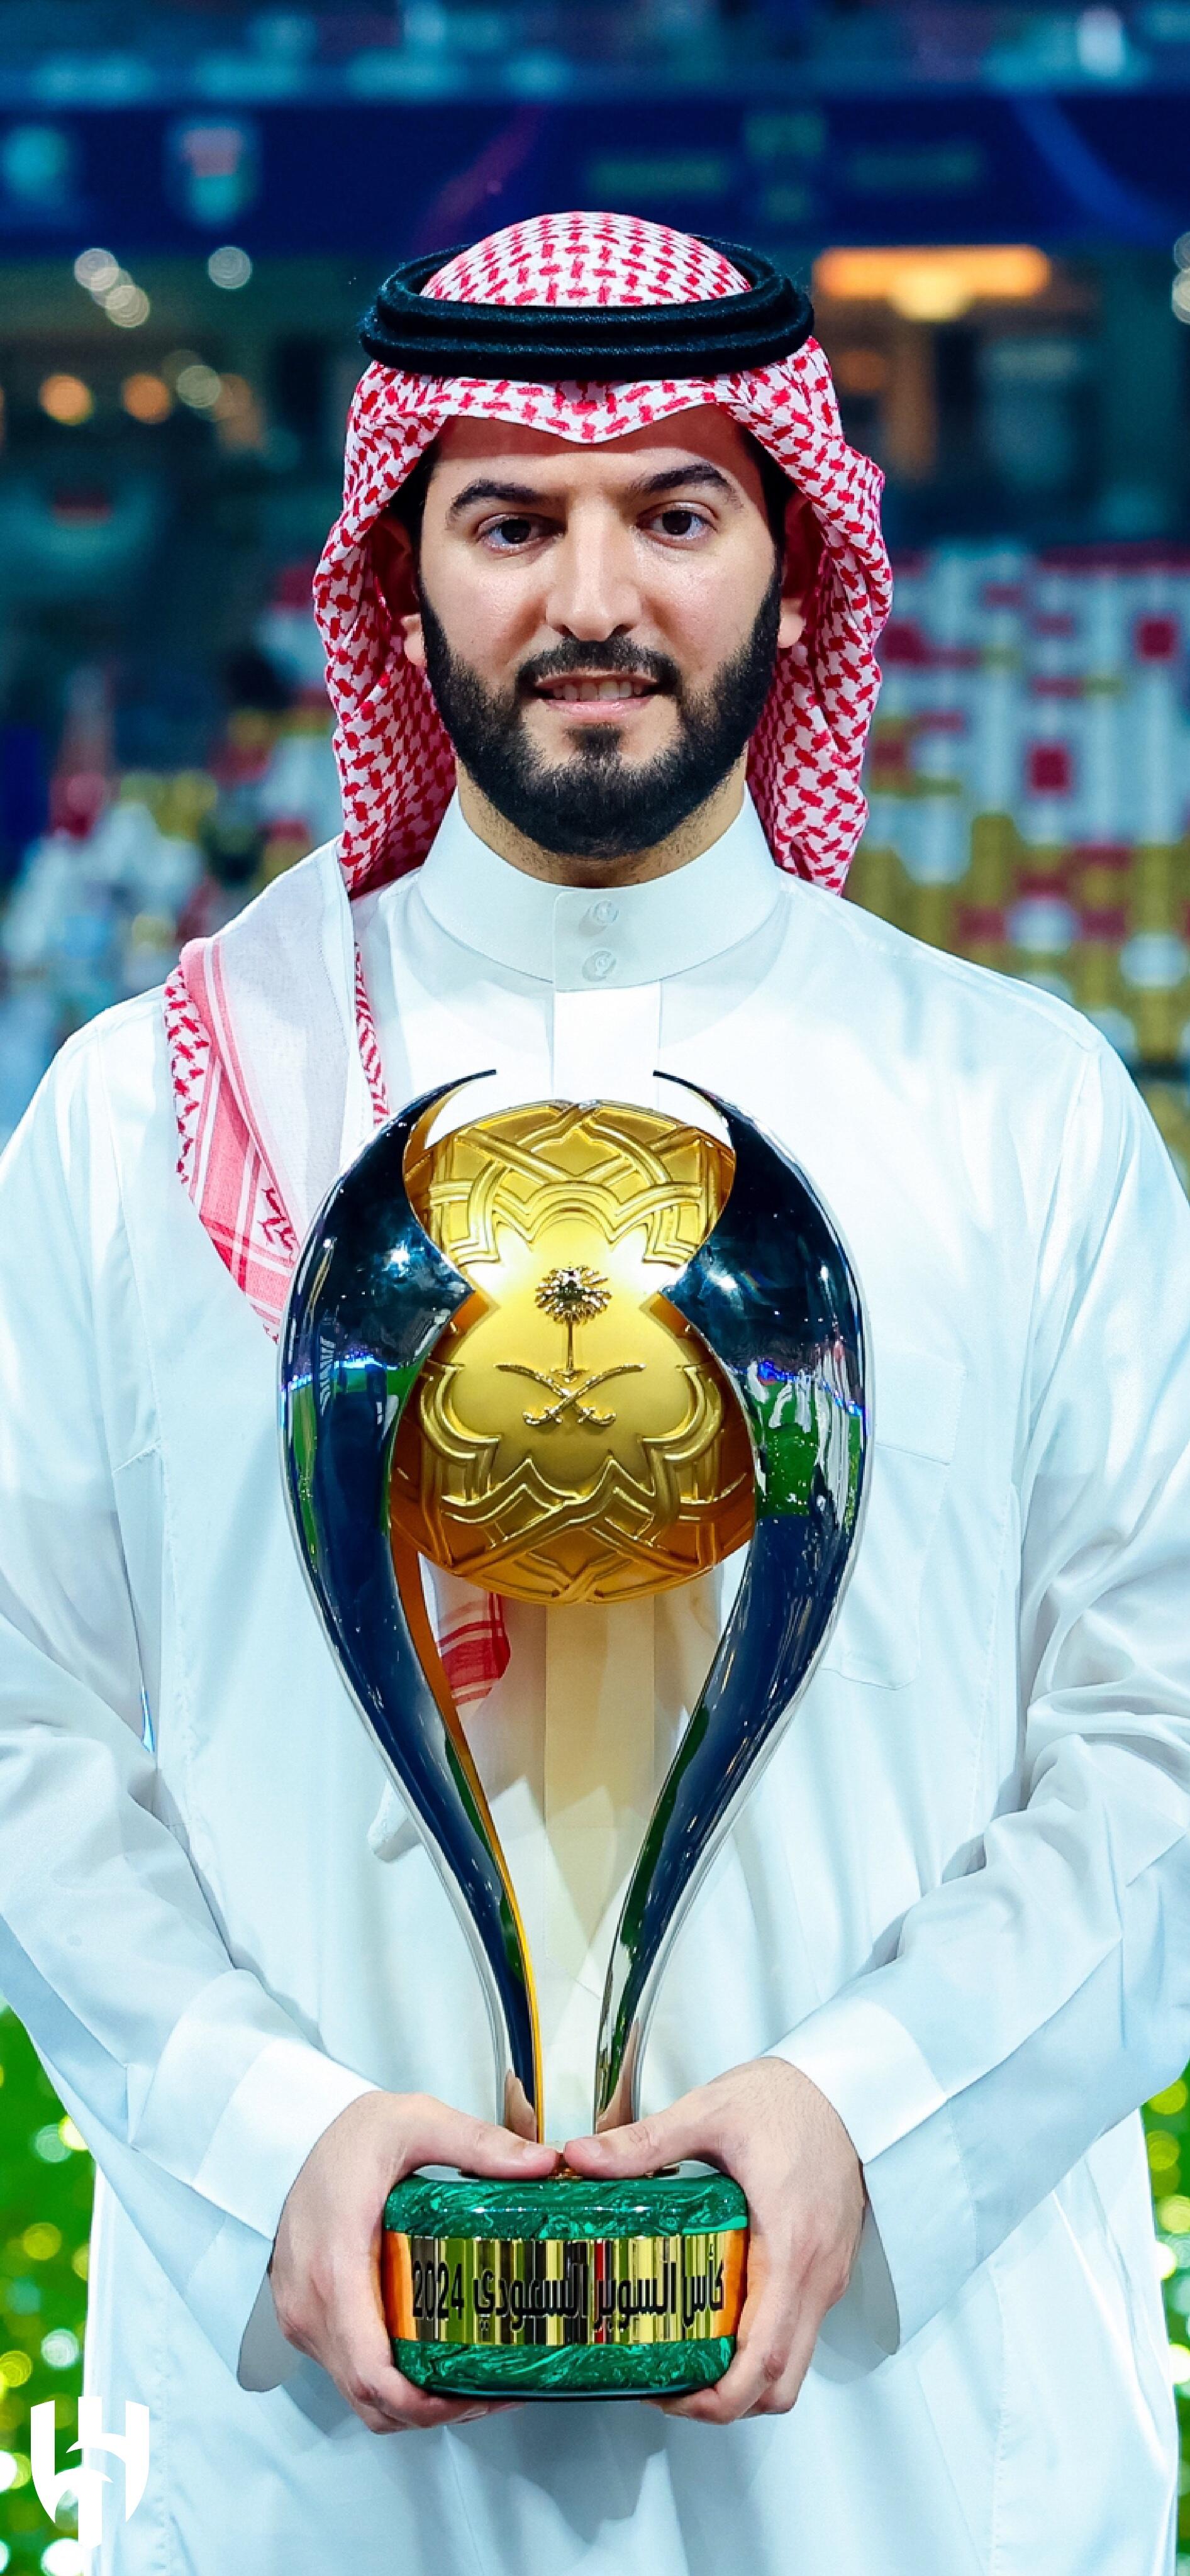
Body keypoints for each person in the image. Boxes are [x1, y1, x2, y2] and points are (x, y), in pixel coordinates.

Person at [0, 211, 1187, 2576]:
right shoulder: (160, 1114)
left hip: (906, 2469)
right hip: (316, 2481)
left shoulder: (1018, 1112)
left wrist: (863, 2113)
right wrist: (270, 2135)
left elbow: (1157, 1738)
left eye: (674, 512)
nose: (594, 599)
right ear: (399, 572)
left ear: (791, 560)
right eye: (511, 520)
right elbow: (31, 1729)